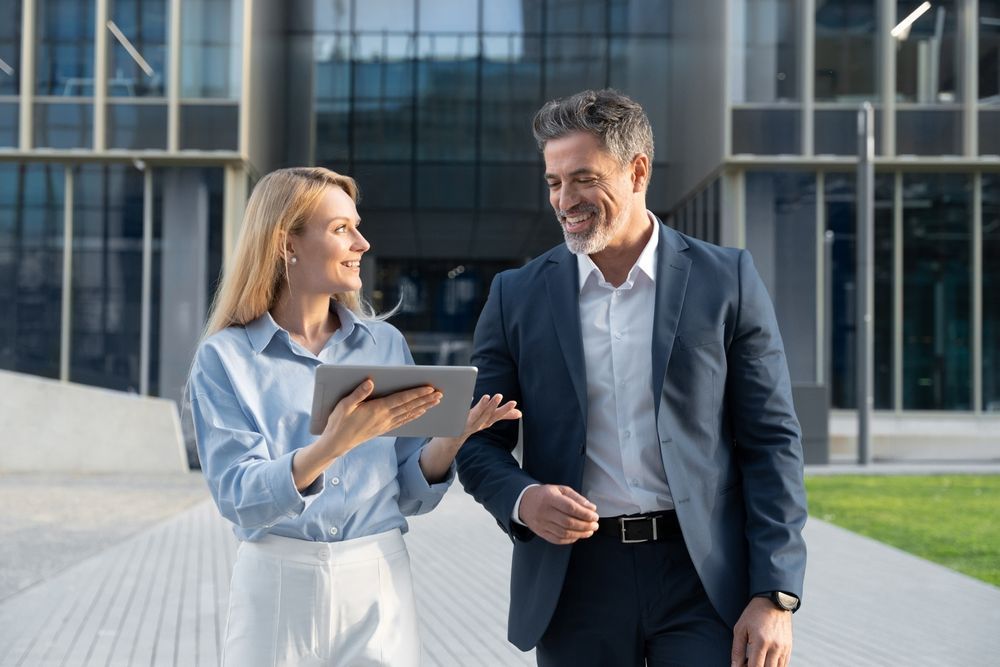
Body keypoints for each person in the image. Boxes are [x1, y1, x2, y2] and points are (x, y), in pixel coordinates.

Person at [456, 89, 808, 667]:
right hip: (575, 580)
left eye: (582, 179)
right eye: (552, 182)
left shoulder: (727, 280)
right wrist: (522, 498)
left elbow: (773, 443)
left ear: (637, 170)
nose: (564, 200)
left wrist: (775, 594)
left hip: (702, 579)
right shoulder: (515, 296)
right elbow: (476, 438)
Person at [188, 166, 520, 667]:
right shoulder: (224, 358)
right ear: (286, 243)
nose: (362, 243)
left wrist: (450, 441)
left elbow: (409, 493)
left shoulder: (384, 344)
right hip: (276, 583)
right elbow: (239, 498)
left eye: (357, 226)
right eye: (341, 228)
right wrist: (333, 445)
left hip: (378, 578)